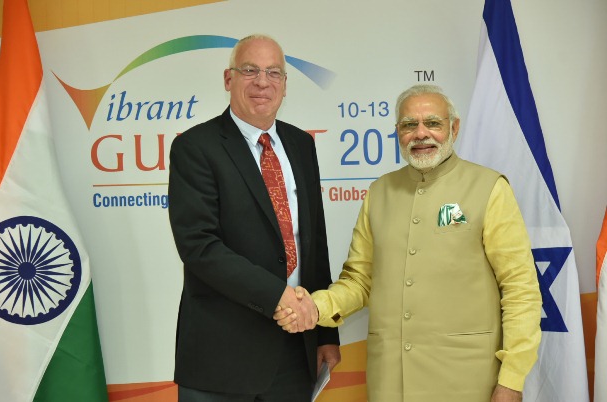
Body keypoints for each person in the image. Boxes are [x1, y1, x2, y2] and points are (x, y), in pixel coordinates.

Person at [275, 84, 542, 402]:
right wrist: (314, 307)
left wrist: (511, 380)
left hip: (469, 382)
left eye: (433, 123)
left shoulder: (489, 188)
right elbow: (359, 282)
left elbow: (521, 291)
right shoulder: (380, 192)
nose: (421, 134)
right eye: (409, 125)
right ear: (397, 133)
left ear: (453, 128)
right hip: (391, 382)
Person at [167, 34, 340, 402]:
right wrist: (277, 294)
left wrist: (325, 333)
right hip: (222, 358)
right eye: (250, 70)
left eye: (274, 72)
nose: (263, 82)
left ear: (285, 85)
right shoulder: (195, 147)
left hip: (296, 353)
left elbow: (314, 244)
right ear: (229, 79)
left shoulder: (301, 145)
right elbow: (200, 246)